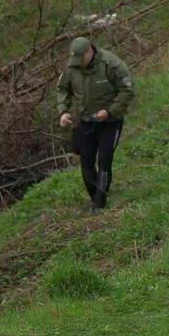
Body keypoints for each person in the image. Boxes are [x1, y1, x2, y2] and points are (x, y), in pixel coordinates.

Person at [56, 36, 134, 213]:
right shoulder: (71, 67)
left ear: (90, 51)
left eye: (81, 59)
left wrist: (109, 111)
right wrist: (64, 111)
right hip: (86, 121)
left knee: (104, 160)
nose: (78, 63)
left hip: (111, 121)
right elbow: (62, 89)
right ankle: (95, 199)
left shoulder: (111, 64)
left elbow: (127, 90)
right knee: (86, 162)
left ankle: (99, 205)